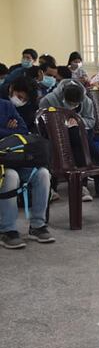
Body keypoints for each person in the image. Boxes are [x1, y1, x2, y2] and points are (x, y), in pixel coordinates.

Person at [0, 97, 54, 249]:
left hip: (16, 157)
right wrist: (8, 130)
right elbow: (14, 132)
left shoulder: (6, 105)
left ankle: (37, 225)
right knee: (11, 176)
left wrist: (9, 132)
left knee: (42, 173)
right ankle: (7, 229)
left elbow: (22, 129)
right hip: (2, 164)